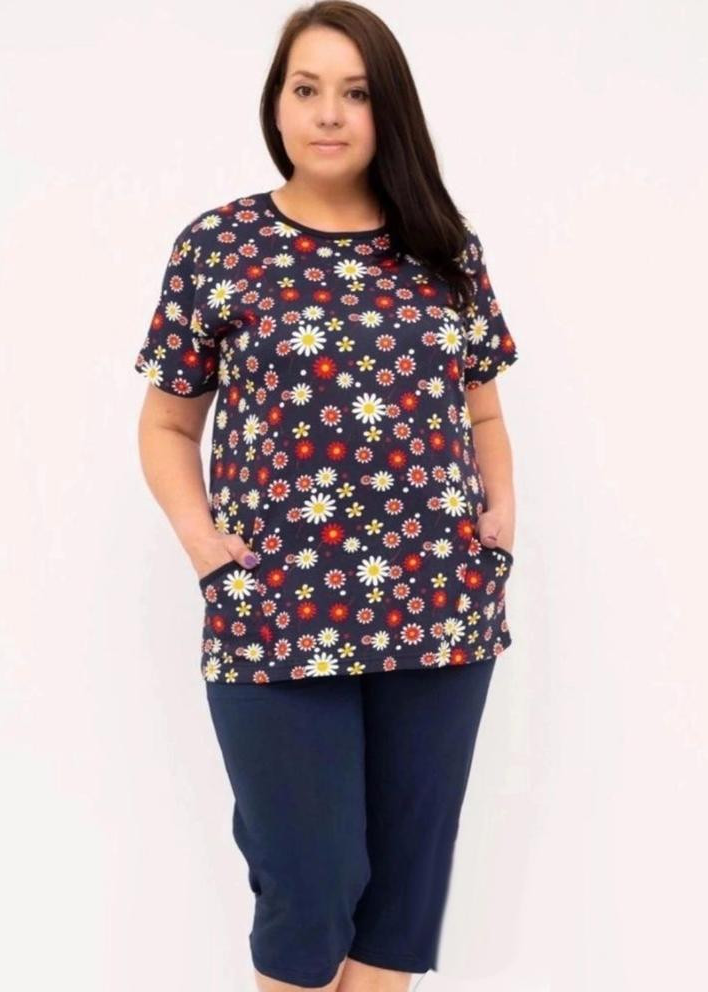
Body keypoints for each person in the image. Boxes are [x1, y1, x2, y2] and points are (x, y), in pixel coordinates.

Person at [134, 3, 519, 990]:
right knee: (308, 894)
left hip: (439, 607)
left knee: (398, 907)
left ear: (389, 110)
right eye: (306, 88)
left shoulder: (444, 248)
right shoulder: (220, 245)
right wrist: (205, 547)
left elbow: (481, 406)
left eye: (355, 92)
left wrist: (498, 525)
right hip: (275, 608)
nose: (329, 113)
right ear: (277, 103)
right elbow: (168, 424)